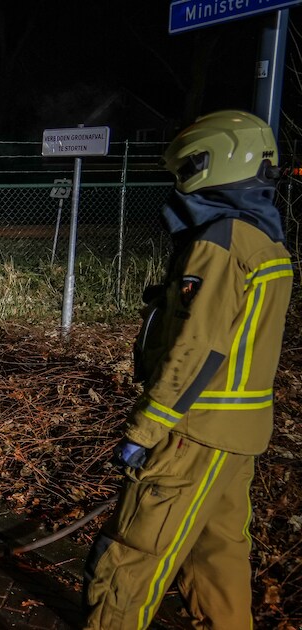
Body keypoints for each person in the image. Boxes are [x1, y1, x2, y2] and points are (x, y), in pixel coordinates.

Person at [83, 110, 293, 628]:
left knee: (134, 557)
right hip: (238, 437)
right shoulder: (266, 243)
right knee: (217, 560)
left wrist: (146, 427)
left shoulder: (218, 242)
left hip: (190, 433)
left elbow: (198, 349)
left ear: (210, 163)